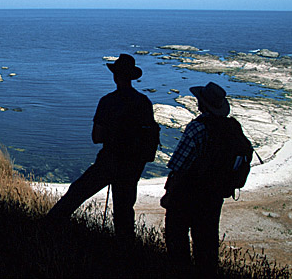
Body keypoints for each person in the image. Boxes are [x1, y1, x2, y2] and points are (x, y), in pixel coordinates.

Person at [46, 54, 158, 243]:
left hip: (110, 161)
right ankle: (126, 253)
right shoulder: (143, 102)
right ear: (131, 77)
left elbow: (97, 138)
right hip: (132, 165)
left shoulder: (108, 101)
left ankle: (47, 230)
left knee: (76, 193)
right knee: (124, 212)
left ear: (115, 76)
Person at [162, 81, 252, 277]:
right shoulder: (232, 128)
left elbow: (179, 165)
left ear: (201, 104)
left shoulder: (197, 128)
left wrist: (169, 193)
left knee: (177, 240)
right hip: (214, 195)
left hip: (187, 194)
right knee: (207, 244)